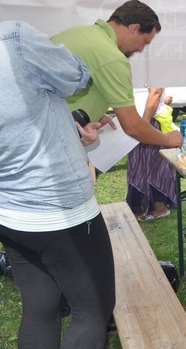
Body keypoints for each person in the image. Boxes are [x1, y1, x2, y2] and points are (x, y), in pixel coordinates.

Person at [0, 20, 115, 348]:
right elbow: (75, 75)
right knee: (92, 312)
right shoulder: (14, 38)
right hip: (60, 210)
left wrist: (66, 126)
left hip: (10, 210)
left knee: (40, 308)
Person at [51, 0, 183, 150]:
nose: (141, 49)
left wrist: (95, 114)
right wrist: (168, 139)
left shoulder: (74, 33)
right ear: (134, 28)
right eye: (144, 42)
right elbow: (133, 126)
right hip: (54, 139)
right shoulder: (112, 57)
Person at [127, 88, 179, 221]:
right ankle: (141, 205)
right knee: (138, 165)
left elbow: (156, 91)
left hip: (150, 120)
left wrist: (145, 123)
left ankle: (159, 207)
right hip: (136, 121)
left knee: (154, 166)